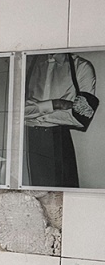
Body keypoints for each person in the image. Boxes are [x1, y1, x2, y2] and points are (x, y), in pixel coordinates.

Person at [24, 52, 97, 188]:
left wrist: (34, 111)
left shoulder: (81, 67)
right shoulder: (26, 63)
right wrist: (56, 104)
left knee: (61, 194)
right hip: (25, 138)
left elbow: (81, 118)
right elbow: (13, 111)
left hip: (58, 139)